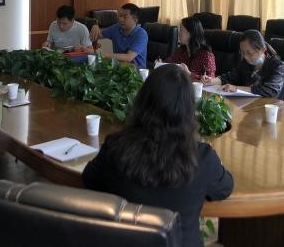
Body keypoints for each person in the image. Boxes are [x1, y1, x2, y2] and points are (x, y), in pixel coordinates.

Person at [82, 64, 233, 247]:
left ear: (142, 101)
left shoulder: (115, 147)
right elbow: (225, 187)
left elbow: (89, 179)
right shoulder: (202, 157)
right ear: (189, 110)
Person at [202, 29, 284, 98]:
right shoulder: (245, 63)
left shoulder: (278, 65)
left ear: (263, 49)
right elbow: (230, 77)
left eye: (249, 53)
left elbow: (271, 91)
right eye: (242, 52)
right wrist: (212, 81)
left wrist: (236, 88)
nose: (245, 57)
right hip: (250, 104)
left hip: (272, 107)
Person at [89, 3, 148, 68]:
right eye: (120, 16)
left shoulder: (141, 34)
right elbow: (96, 35)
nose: (121, 19)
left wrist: (102, 54)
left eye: (125, 17)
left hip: (136, 71)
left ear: (135, 20)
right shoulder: (116, 27)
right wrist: (95, 26)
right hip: (118, 68)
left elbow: (128, 57)